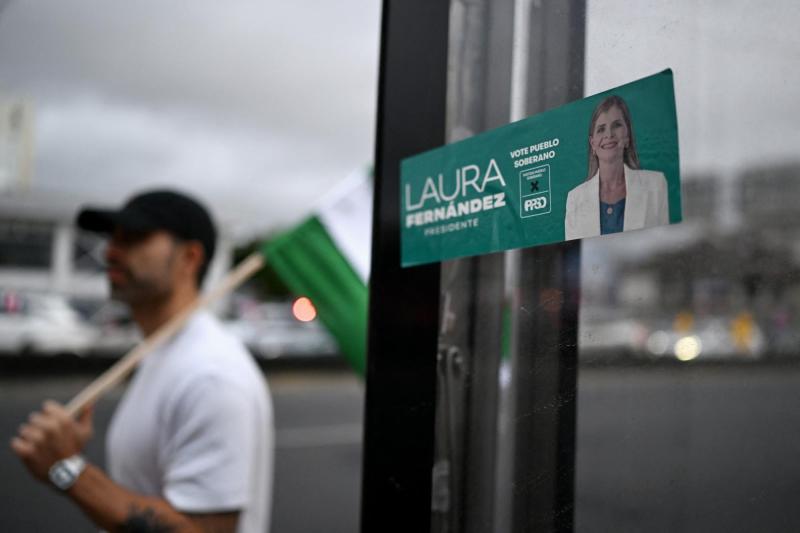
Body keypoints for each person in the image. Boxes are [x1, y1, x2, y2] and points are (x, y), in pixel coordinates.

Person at [10, 189, 274, 533]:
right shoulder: (163, 353)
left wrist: (68, 471)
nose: (111, 251)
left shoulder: (212, 375)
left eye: (133, 238)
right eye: (112, 238)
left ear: (190, 258)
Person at [564, 94, 669, 240]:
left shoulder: (656, 185)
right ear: (593, 144)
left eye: (616, 125)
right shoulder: (575, 199)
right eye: (601, 129)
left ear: (627, 137)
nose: (609, 134)